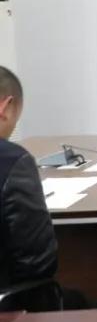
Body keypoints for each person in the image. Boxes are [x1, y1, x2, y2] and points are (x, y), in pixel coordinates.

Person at [0, 66, 60, 305]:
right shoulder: (13, 160)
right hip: (11, 312)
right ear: (5, 107)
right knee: (85, 302)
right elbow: (38, 263)